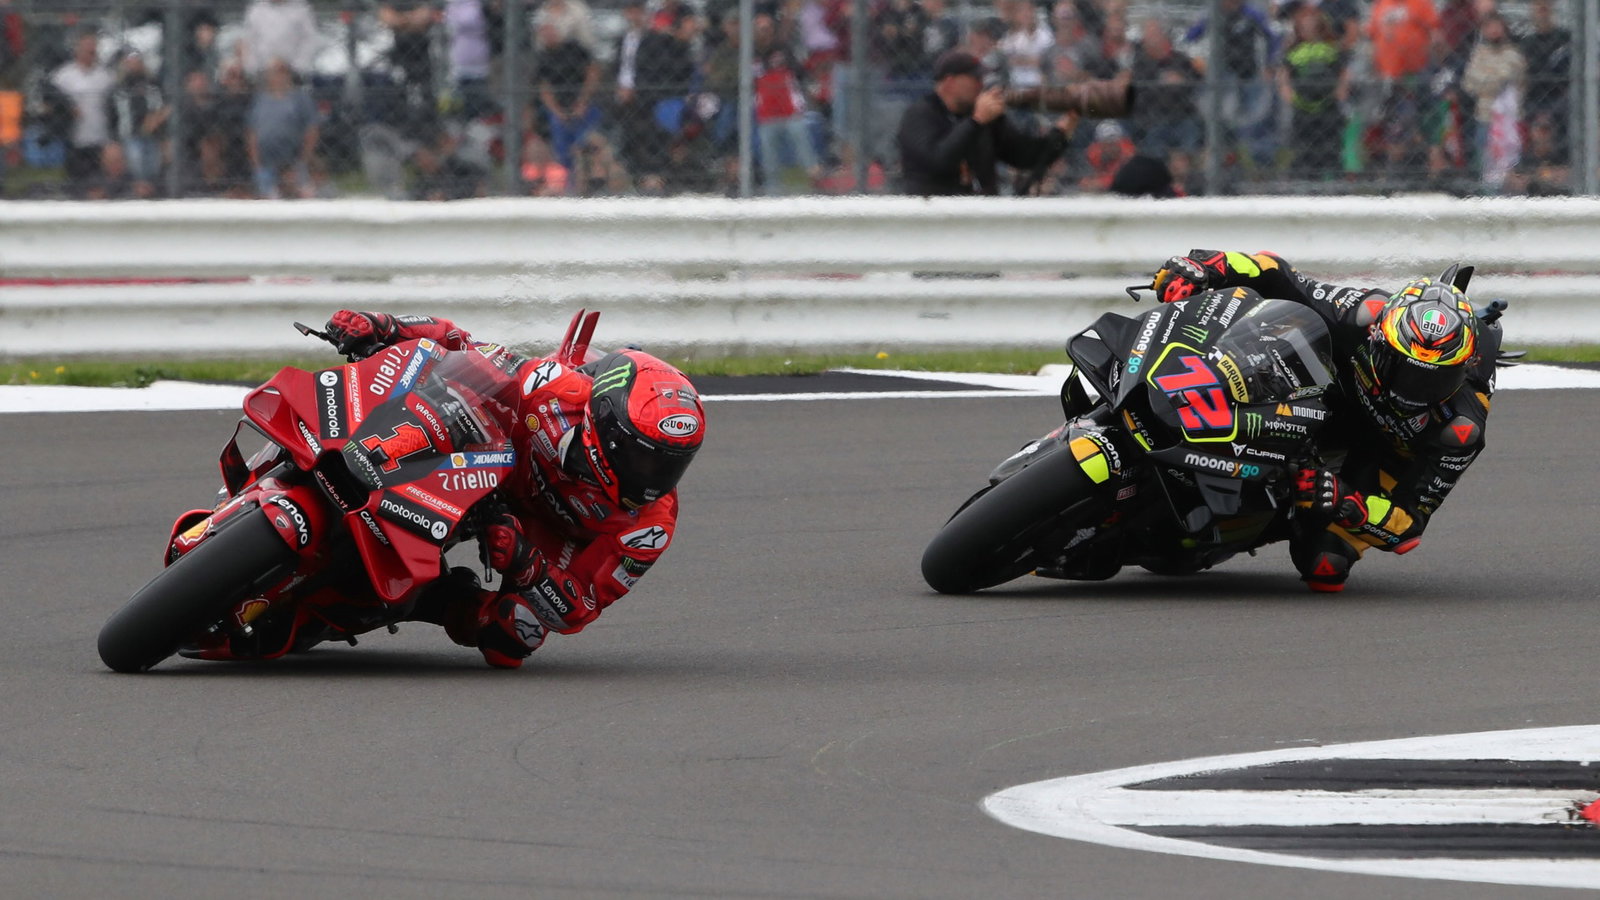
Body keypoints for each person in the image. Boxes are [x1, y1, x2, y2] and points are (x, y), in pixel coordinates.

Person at [317, 310, 706, 668]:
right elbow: (461, 345)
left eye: (673, 463)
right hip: (487, 465)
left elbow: (580, 606)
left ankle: (426, 599)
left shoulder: (648, 528)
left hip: (544, 536)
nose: (656, 477)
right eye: (648, 459)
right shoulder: (553, 389)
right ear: (605, 427)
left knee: (514, 635)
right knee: (437, 392)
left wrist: (527, 564)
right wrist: (386, 327)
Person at [1148, 250, 1493, 592]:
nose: (1414, 388)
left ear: (1464, 367)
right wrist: (1211, 265)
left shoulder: (1460, 429)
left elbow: (1408, 526)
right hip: (1327, 392)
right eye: (1403, 369)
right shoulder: (1363, 313)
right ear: (1378, 338)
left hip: (1382, 454)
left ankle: (1266, 516)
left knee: (1325, 566)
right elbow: (1278, 273)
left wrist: (1349, 503)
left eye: (1435, 379)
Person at [897, 50, 1076, 195]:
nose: (981, 85)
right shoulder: (921, 115)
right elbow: (938, 162)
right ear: (950, 82)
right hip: (931, 211)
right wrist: (975, 122)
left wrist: (1060, 133)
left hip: (979, 213)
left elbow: (1024, 156)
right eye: (975, 79)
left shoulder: (985, 117)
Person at [50, 30, 114, 197]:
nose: (91, 51)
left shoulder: (104, 75)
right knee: (76, 175)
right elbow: (51, 102)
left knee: (98, 177)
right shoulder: (64, 75)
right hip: (74, 135)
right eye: (86, 47)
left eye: (93, 48)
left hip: (100, 134)